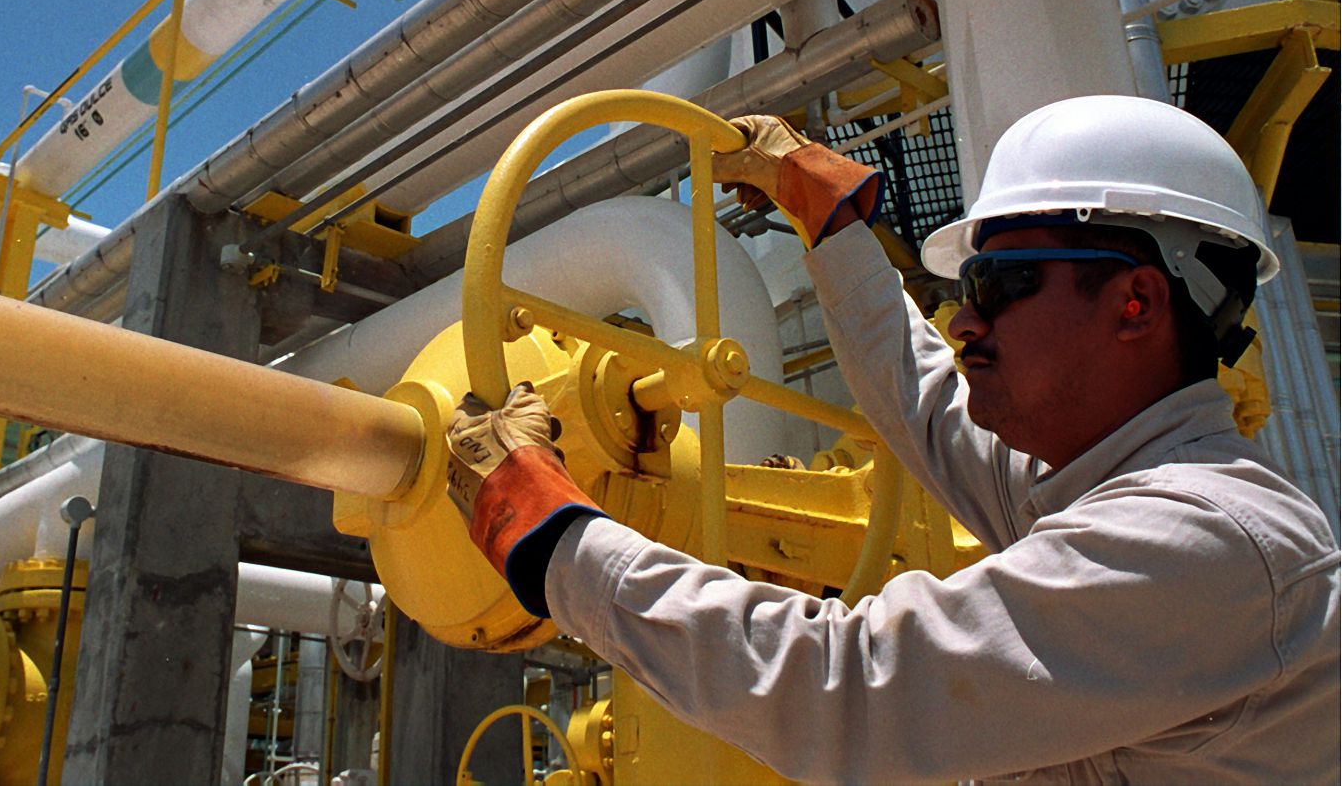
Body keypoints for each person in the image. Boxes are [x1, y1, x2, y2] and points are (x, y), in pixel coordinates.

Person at [444, 95, 1340, 784]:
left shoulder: (1203, 539)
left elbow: (849, 684)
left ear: (1136, 302)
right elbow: (927, 403)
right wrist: (833, 225)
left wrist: (553, 536)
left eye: (998, 282)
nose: (964, 321)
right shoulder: (1094, 485)